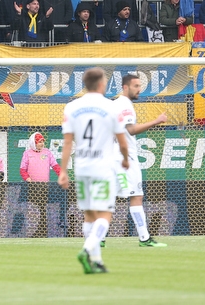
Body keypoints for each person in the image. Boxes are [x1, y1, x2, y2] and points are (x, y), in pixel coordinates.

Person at [58, 67, 130, 274]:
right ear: (100, 84)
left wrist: (63, 171)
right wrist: (125, 160)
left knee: (89, 216)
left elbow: (67, 143)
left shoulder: (71, 107)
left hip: (82, 167)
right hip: (103, 167)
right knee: (105, 214)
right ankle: (87, 249)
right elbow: (122, 142)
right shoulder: (111, 107)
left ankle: (96, 261)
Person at [112, 73, 169, 246]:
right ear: (125, 87)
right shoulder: (125, 105)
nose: (139, 89)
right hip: (126, 156)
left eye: (139, 85)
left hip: (113, 156)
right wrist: (157, 121)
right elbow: (131, 129)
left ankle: (97, 238)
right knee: (136, 196)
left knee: (108, 197)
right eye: (136, 86)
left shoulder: (114, 104)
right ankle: (144, 238)